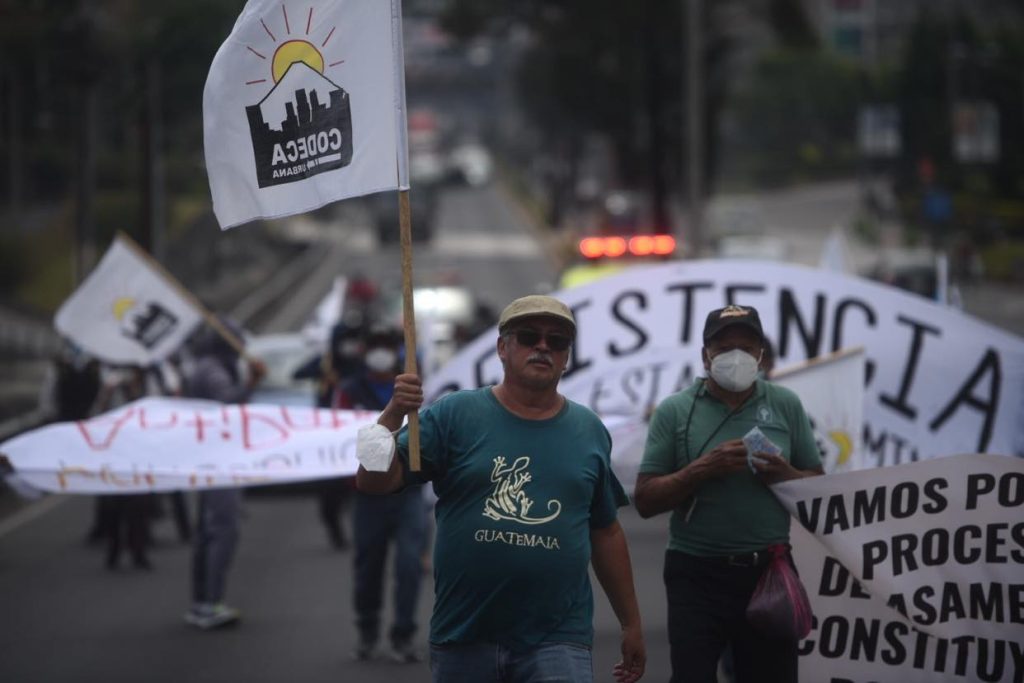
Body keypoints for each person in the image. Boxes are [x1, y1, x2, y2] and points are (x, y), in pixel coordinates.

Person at [357, 294, 646, 683]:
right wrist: (392, 413)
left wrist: (631, 623)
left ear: (566, 357)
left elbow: (606, 530)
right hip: (465, 636)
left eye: (557, 341)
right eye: (529, 336)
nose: (543, 346)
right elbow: (374, 482)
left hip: (558, 640)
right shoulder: (454, 414)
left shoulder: (589, 430)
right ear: (502, 348)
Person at [632, 304, 824, 683]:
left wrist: (785, 475)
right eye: (724, 348)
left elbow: (818, 486)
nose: (736, 356)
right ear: (705, 355)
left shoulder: (784, 404)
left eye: (746, 347)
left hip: (768, 571)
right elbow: (645, 500)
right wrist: (701, 469)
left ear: (761, 355)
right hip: (695, 573)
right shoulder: (675, 411)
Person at [334, 325, 428, 663]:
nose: (381, 352)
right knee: (368, 567)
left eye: (387, 346)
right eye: (374, 346)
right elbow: (337, 433)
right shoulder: (349, 390)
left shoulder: (413, 388)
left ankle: (403, 635)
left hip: (407, 492)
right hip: (369, 496)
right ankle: (368, 629)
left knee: (408, 566)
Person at [182, 321, 265, 630]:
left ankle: (201, 601)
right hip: (218, 462)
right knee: (223, 530)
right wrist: (252, 383)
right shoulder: (213, 369)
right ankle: (211, 602)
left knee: (207, 533)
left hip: (210, 459)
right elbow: (227, 404)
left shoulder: (205, 365)